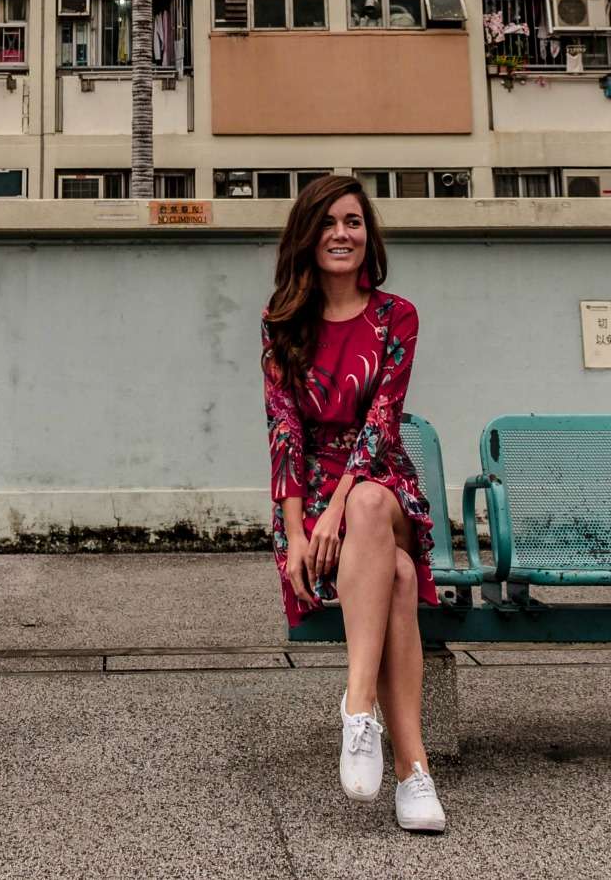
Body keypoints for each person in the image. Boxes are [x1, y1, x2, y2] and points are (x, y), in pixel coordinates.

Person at [261, 175, 446, 834]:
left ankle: (358, 708)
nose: (342, 233)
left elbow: (383, 425)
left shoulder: (397, 316)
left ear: (368, 236)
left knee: (368, 506)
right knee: (392, 575)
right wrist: (295, 535)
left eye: (354, 221)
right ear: (307, 238)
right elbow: (283, 431)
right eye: (329, 223)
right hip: (311, 502)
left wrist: (338, 506)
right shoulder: (283, 325)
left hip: (382, 484)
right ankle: (413, 772)